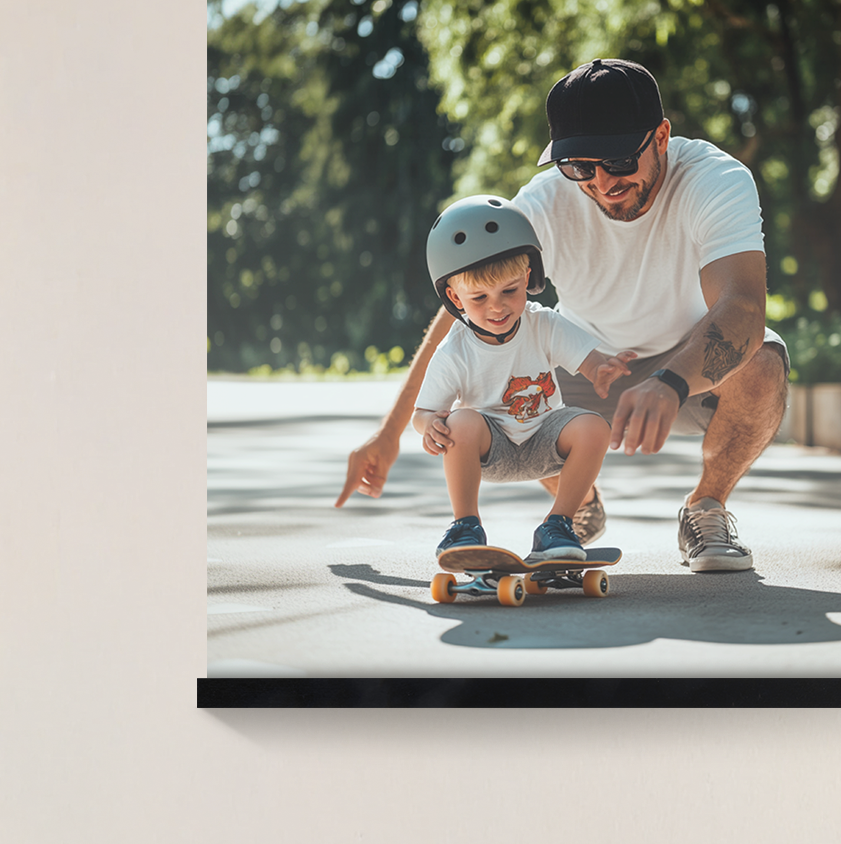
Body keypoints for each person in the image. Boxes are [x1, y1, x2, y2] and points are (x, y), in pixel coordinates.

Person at [337, 57, 788, 573]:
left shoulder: (714, 180)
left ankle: (706, 507)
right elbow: (463, 316)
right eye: (579, 167)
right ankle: (575, 509)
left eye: (619, 160)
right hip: (580, 364)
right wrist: (390, 433)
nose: (601, 182)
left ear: (661, 136)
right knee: (494, 365)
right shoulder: (543, 205)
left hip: (689, 366)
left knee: (762, 364)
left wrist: (669, 381)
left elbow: (744, 308)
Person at [412, 196, 631, 566]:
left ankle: (558, 526)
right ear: (455, 297)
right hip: (490, 448)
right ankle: (466, 526)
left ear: (527, 278)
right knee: (460, 420)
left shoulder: (542, 323)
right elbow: (424, 412)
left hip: (545, 439)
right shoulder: (455, 350)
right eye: (479, 297)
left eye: (509, 291)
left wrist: (601, 369)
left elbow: (587, 359)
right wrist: (430, 425)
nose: (496, 307)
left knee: (594, 427)